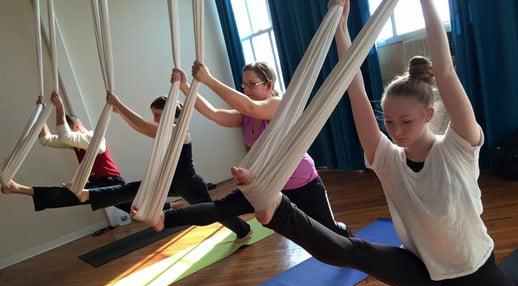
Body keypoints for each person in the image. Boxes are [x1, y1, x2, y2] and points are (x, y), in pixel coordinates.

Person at [230, 0, 518, 286]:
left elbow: (446, 73)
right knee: (353, 250)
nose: (396, 130)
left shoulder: (458, 148)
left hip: (474, 269)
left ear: (428, 114)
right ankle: (278, 211)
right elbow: (355, 90)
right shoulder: (387, 158)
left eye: (406, 121)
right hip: (421, 269)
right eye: (389, 121)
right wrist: (340, 27)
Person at [151, 61, 351, 236]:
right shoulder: (245, 116)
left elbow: (250, 107)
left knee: (328, 230)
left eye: (251, 84)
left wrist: (209, 79)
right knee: (222, 208)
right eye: (244, 84)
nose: (246, 89)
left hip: (301, 182)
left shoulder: (279, 105)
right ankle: (164, 219)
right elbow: (214, 114)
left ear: (269, 84)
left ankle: (348, 239)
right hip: (265, 184)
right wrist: (186, 87)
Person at [73, 91, 252, 240]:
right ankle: (90, 194)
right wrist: (119, 112)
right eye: (154, 115)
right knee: (133, 189)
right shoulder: (165, 132)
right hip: (170, 182)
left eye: (157, 114)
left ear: (169, 115)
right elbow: (141, 127)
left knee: (212, 211)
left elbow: (142, 125)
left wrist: (119, 105)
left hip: (188, 183)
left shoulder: (177, 130)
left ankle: (243, 230)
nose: (154, 119)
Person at [1, 92, 128, 212]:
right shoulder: (76, 145)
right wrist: (41, 114)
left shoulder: (94, 138)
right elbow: (47, 140)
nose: (68, 137)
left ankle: (15, 188)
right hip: (96, 185)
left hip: (111, 183)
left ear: (76, 127)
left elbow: (66, 136)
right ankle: (14, 188)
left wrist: (60, 106)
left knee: (69, 195)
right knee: (135, 211)